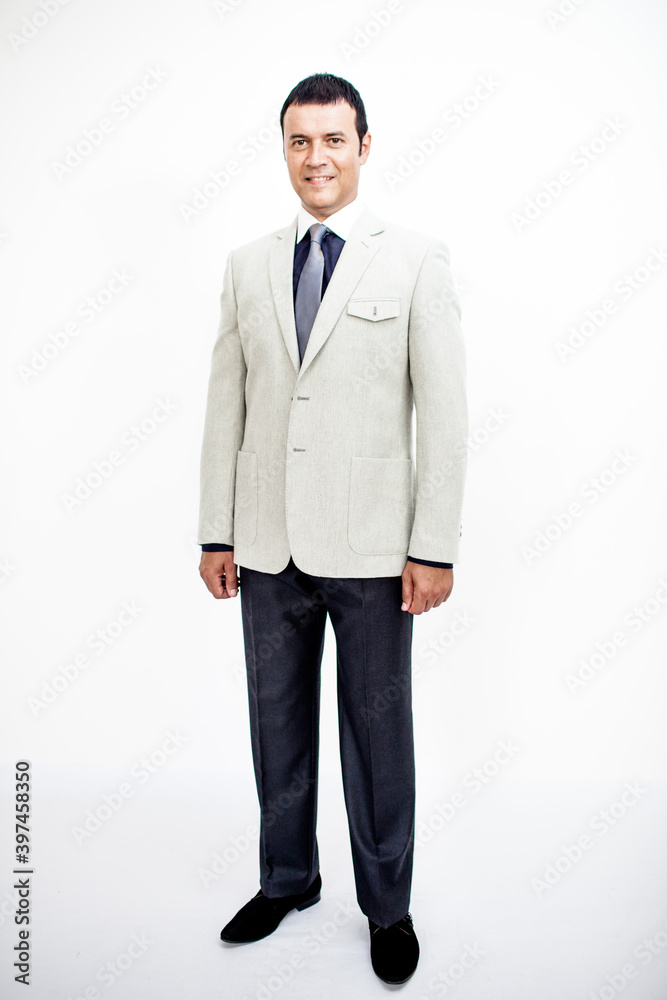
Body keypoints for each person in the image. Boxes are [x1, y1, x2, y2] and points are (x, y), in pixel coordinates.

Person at [198, 72, 468, 986]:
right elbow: (224, 405)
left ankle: (385, 908)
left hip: (372, 549)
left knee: (374, 731)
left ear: (363, 147)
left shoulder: (416, 258)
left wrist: (432, 545)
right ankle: (287, 880)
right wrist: (214, 532)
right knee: (275, 727)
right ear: (283, 149)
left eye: (333, 140)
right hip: (265, 543)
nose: (316, 157)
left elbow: (446, 412)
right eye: (298, 141)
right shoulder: (245, 264)